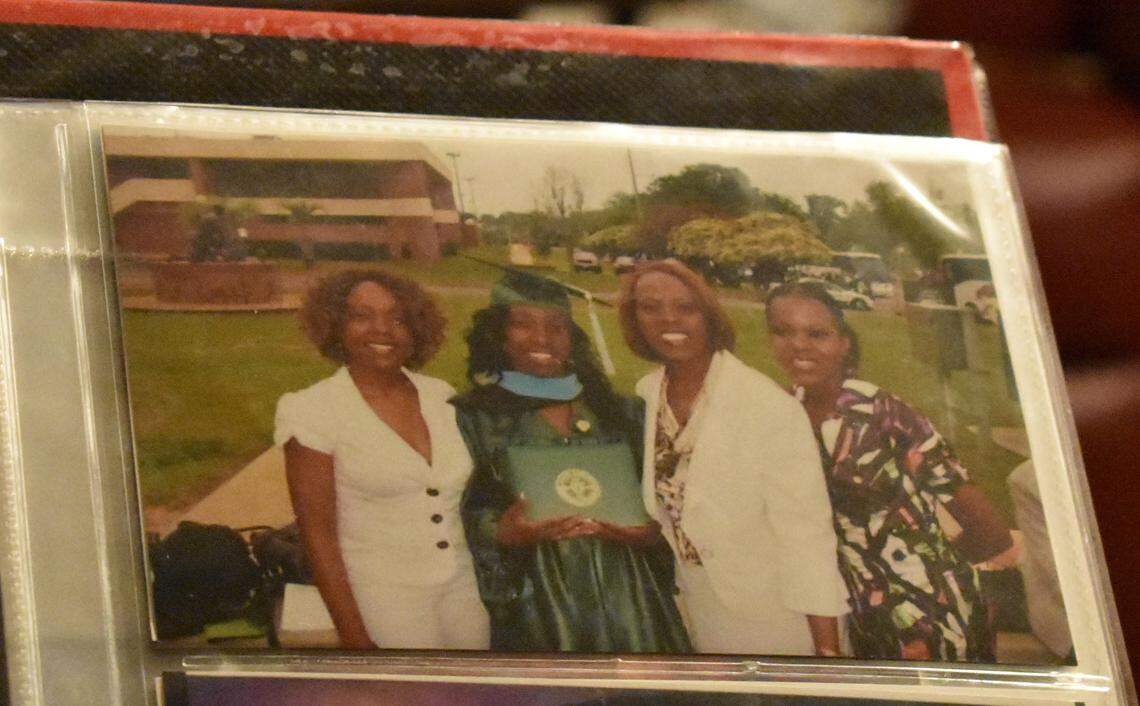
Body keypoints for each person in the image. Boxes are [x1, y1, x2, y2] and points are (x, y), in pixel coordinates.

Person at [764, 281, 1018, 661]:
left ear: (844, 341)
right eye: (784, 332)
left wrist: (930, 579)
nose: (799, 345)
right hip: (863, 615)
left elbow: (992, 534)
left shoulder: (883, 414)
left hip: (929, 618)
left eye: (817, 334)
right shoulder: (786, 411)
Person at [453, 268, 690, 653]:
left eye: (557, 326)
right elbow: (467, 509)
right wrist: (502, 532)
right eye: (523, 325)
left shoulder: (623, 412)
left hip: (626, 588)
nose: (543, 338)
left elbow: (660, 502)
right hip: (540, 592)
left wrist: (649, 532)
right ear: (497, 333)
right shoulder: (474, 416)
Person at [618, 259, 846, 656]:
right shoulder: (646, 394)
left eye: (685, 307)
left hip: (774, 615)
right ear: (634, 318)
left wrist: (827, 652)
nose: (668, 318)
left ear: (708, 314)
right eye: (650, 307)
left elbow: (806, 537)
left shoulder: (767, 406)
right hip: (694, 606)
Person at [274, 269, 490, 650]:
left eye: (398, 318)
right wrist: (356, 638)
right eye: (362, 316)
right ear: (336, 325)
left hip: (463, 590)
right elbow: (317, 538)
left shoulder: (442, 396)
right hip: (383, 598)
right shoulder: (310, 410)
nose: (382, 330)